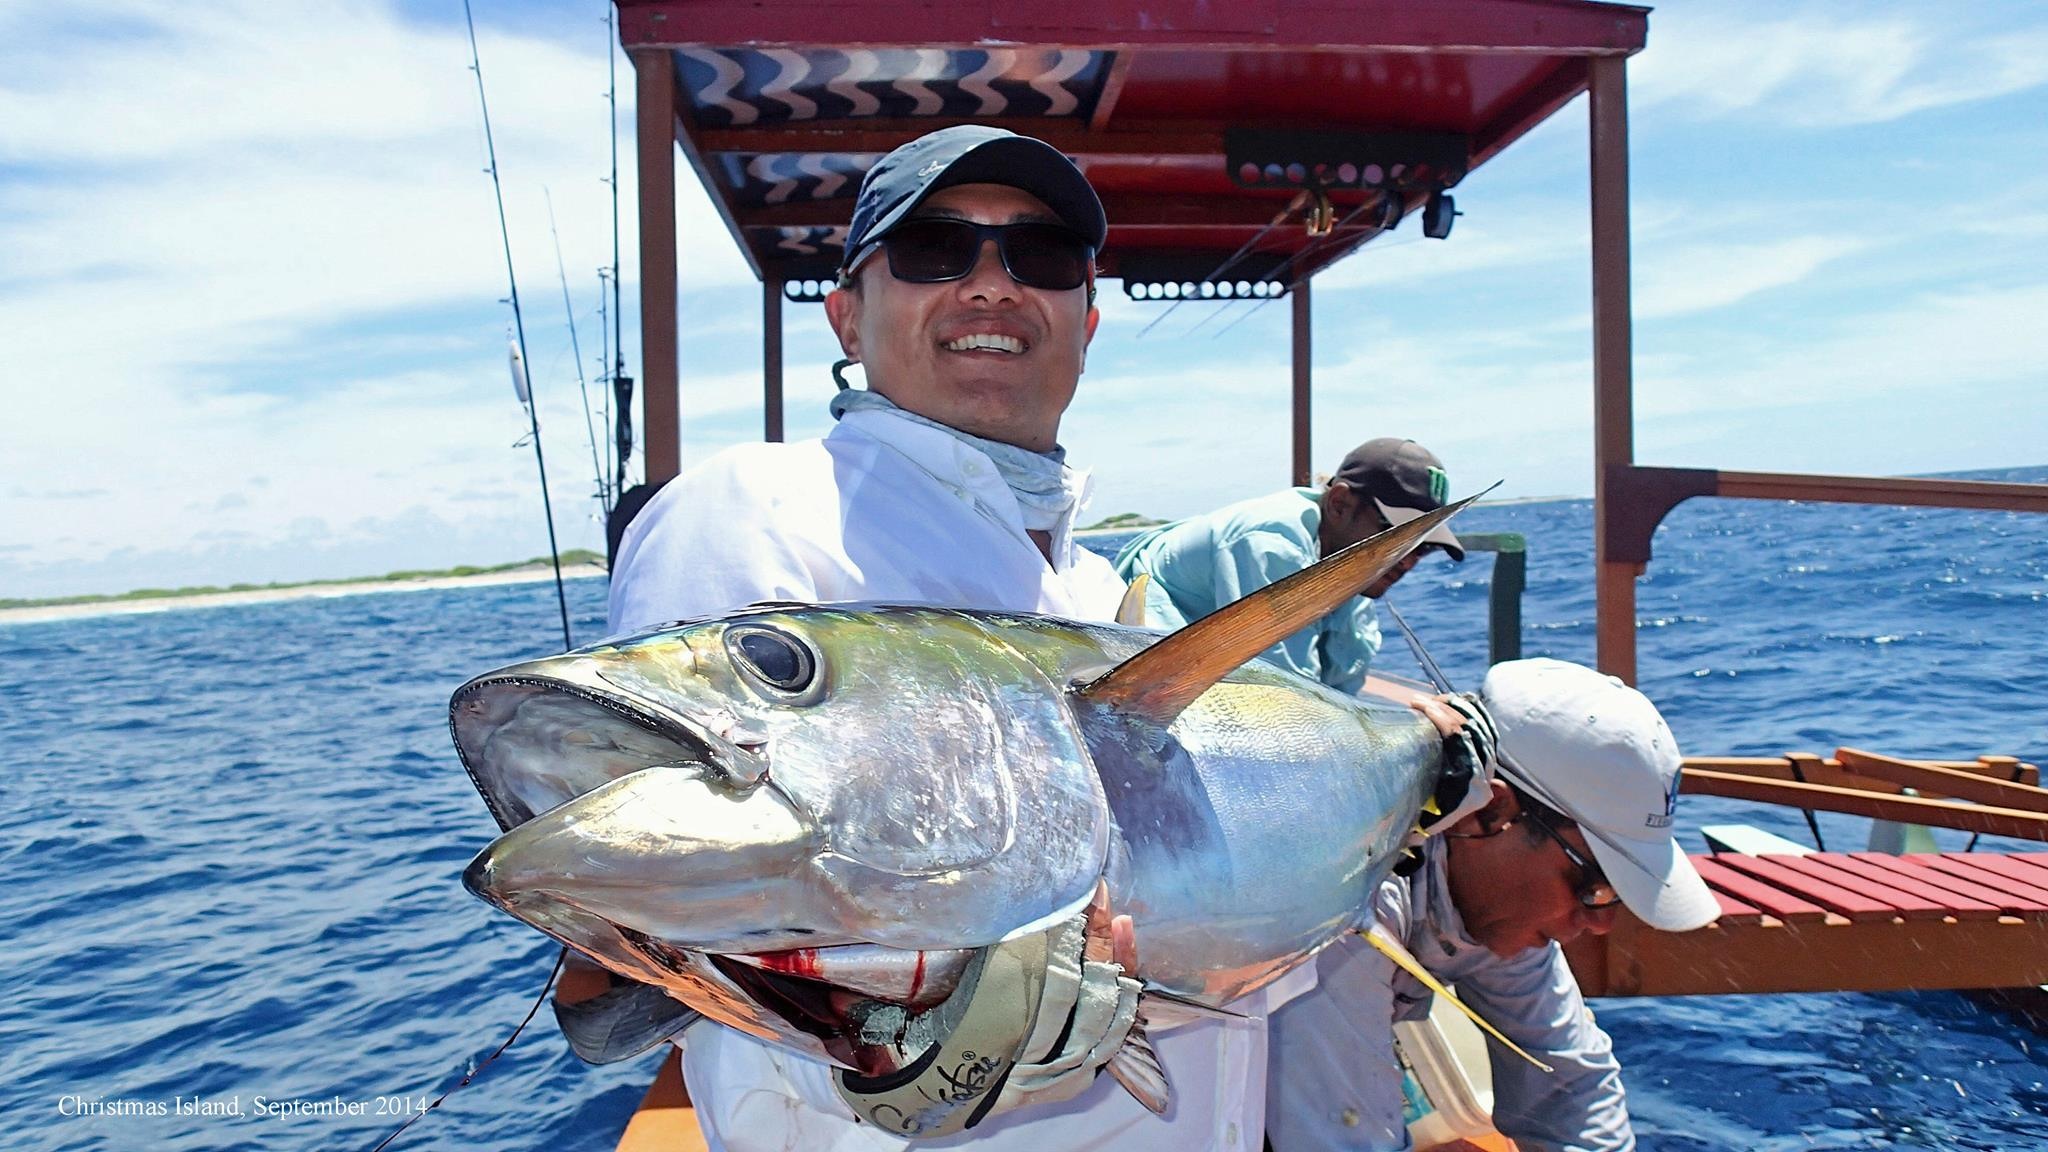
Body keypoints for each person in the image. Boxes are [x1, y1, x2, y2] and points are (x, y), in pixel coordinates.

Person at [606, 124, 1280, 1151]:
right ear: (845, 316)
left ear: (1085, 324)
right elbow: (722, 901)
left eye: (1039, 257)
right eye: (932, 249)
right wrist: (909, 1044)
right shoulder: (756, 511)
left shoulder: (1098, 587)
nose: (990, 284)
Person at [1265, 658, 1723, 1152]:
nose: (1601, 921)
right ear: (1491, 813)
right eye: (1593, 883)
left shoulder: (1491, 902)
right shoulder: (1344, 904)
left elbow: (1568, 1087)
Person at [1113, 438, 1464, 693]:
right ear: (1340, 503)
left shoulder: (1357, 567)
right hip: (1143, 657)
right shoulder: (1272, 545)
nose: (1407, 559)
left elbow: (1341, 687)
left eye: (1425, 546)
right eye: (1395, 536)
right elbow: (1286, 699)